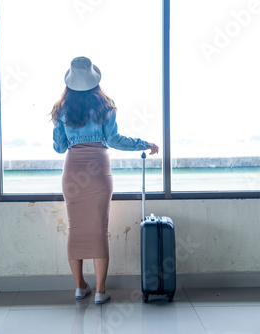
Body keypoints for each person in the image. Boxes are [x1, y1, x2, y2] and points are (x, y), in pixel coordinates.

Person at [51, 56, 159, 304]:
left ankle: (79, 287)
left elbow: (59, 147)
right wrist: (144, 144)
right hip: (99, 171)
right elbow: (114, 140)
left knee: (75, 229)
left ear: (70, 83)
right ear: (93, 80)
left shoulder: (62, 110)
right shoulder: (105, 107)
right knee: (100, 230)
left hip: (73, 173)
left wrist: (67, 130)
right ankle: (100, 291)